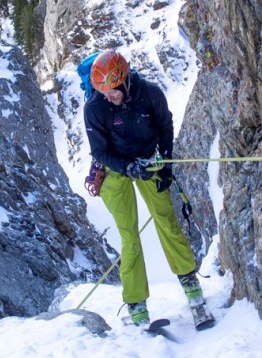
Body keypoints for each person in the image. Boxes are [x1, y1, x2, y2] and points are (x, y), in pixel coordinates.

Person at [83, 49, 214, 329]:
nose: (109, 96)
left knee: (166, 221)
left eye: (113, 90)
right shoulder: (94, 107)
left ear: (126, 80)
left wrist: (165, 166)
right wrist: (128, 169)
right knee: (129, 235)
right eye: (103, 91)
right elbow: (99, 151)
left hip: (148, 159)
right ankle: (136, 303)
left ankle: (190, 284)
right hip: (113, 169)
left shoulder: (150, 94)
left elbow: (165, 128)